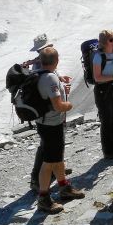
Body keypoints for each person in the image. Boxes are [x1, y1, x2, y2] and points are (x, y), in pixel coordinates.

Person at [33, 47, 84, 213]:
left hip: (44, 122)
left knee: (57, 158)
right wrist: (68, 105)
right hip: (52, 125)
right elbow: (58, 105)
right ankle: (43, 198)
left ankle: (64, 186)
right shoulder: (50, 78)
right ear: (56, 60)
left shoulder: (38, 74)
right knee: (49, 163)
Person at [27, 35, 72, 190]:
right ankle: (38, 182)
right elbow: (48, 89)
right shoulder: (40, 67)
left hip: (45, 117)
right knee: (46, 149)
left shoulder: (40, 65)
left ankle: (56, 171)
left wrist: (60, 80)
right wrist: (66, 103)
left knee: (50, 147)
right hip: (50, 118)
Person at [92, 29, 113, 158]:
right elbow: (97, 78)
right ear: (104, 42)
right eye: (112, 40)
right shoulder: (98, 57)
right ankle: (108, 151)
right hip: (103, 91)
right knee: (107, 120)